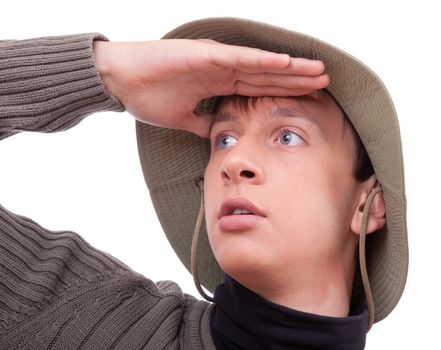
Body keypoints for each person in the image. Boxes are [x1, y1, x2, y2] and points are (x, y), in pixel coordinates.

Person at [0, 18, 407, 349]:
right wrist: (106, 72)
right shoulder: (85, 314)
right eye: (224, 140)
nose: (235, 162)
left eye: (287, 137)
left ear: (367, 205)